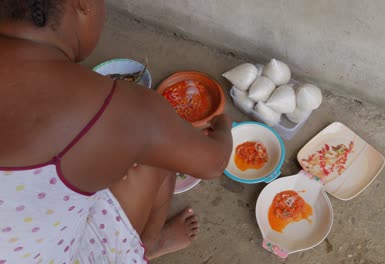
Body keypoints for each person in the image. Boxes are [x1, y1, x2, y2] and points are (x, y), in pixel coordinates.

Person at [0, 0, 233, 263]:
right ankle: (147, 245)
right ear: (83, 4)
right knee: (159, 151)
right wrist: (223, 124)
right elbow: (214, 163)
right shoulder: (122, 107)